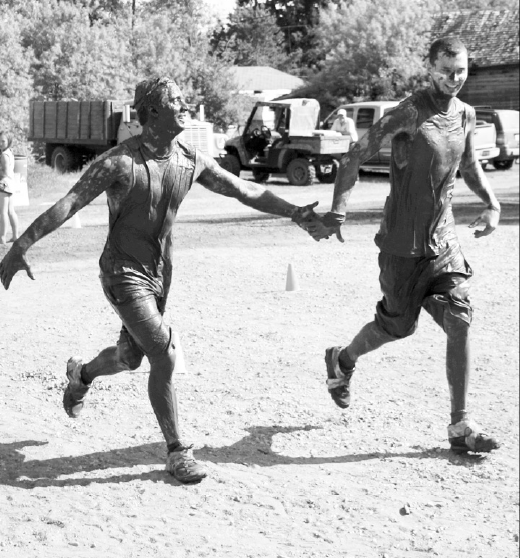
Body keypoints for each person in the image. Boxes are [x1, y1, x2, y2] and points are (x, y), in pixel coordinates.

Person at [0, 77, 322, 483]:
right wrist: (20, 245)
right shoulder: (119, 162)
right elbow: (69, 203)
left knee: (130, 357)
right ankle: (176, 451)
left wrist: (295, 212)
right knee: (164, 353)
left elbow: (244, 190)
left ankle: (80, 374)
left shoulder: (190, 160)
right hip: (121, 273)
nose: (185, 104)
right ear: (152, 112)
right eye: (175, 99)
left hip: (159, 275)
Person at [308, 37, 501, 454]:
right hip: (401, 246)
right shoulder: (410, 113)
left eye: (462, 70)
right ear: (429, 68)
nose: (454, 79)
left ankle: (460, 426)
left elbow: (468, 166)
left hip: (443, 242)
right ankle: (342, 360)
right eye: (446, 70)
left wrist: (492, 203)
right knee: (396, 326)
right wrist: (338, 210)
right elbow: (356, 153)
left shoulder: (466, 115)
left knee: (460, 316)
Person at [0, 131, 20, 245]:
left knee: (2, 212)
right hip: (11, 184)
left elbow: (6, 172)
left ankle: (2, 238)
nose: (0, 143)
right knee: (10, 211)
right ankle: (15, 236)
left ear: (8, 142)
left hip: (4, 183)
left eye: (3, 141)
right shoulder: (9, 152)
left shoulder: (3, 155)